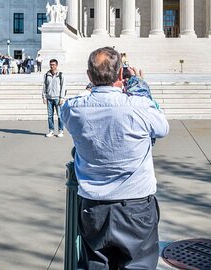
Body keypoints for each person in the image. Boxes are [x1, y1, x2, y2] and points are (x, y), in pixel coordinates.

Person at [61, 47, 169, 269]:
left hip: (93, 207)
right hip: (136, 207)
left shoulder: (73, 109)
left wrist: (97, 87)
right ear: (120, 75)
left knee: (96, 266)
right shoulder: (139, 106)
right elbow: (161, 127)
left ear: (89, 76)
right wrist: (139, 85)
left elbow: (80, 100)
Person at [43, 59, 66, 137]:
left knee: (59, 115)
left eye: (53, 64)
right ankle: (51, 130)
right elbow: (44, 86)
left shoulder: (61, 75)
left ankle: (61, 130)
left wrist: (62, 97)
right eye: (50, 64)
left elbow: (63, 87)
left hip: (57, 98)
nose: (51, 66)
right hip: (49, 97)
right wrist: (44, 96)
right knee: (50, 116)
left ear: (56, 65)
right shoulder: (46, 75)